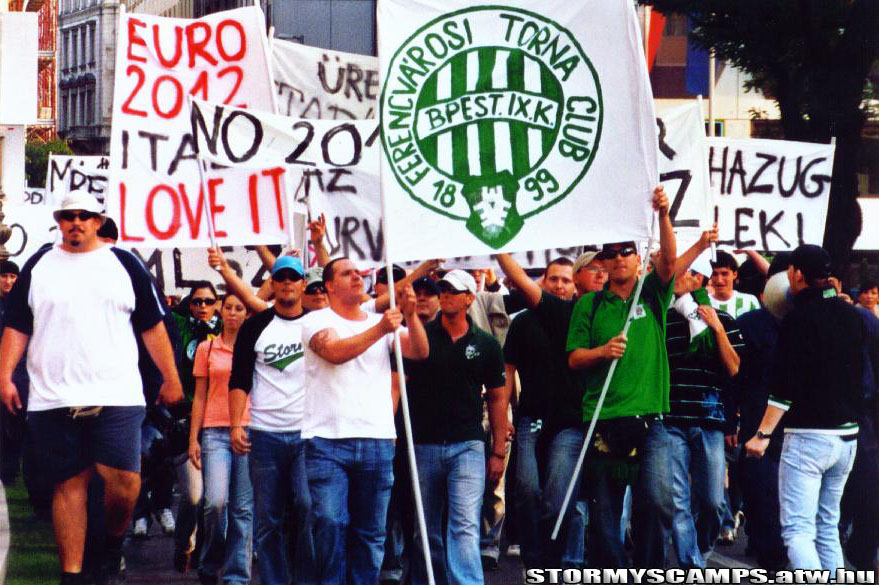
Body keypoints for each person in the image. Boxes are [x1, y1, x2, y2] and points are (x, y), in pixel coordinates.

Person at [0, 190, 183, 585]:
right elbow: (16, 325)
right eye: (68, 216)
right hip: (53, 395)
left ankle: (112, 545)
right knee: (69, 484)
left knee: (124, 481)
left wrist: (170, 376)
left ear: (98, 221)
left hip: (117, 393)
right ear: (58, 221)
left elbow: (152, 326)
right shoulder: (39, 266)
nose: (76, 222)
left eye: (84, 216)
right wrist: (4, 375)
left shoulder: (124, 263)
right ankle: (73, 575)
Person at [565, 185, 676, 568]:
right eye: (610, 254)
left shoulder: (651, 294)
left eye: (626, 251)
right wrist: (602, 351)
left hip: (650, 418)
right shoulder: (589, 304)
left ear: (638, 257)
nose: (618, 259)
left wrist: (663, 215)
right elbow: (574, 358)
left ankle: (649, 570)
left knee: (657, 501)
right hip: (603, 418)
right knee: (604, 513)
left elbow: (669, 261)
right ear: (603, 264)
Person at [301, 257, 428, 585]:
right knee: (331, 523)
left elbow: (419, 351)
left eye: (359, 273)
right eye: (348, 274)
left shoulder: (379, 322)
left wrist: (411, 316)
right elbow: (335, 352)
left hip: (377, 439)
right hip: (327, 441)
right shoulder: (316, 320)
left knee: (371, 533)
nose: (358, 277)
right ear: (330, 286)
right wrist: (382, 328)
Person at [745, 245, 865, 571]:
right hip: (847, 436)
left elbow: (784, 385)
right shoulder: (852, 316)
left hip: (808, 436)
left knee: (798, 530)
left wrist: (762, 434)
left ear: (797, 274)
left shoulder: (797, 319)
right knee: (827, 526)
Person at [404, 269, 508, 585]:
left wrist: (498, 451)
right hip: (424, 443)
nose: (446, 295)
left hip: (468, 444)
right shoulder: (420, 337)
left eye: (453, 290)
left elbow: (498, 397)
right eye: (443, 290)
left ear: (469, 298)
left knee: (464, 524)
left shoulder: (487, 344)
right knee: (426, 527)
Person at [494, 254, 587, 569]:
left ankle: (553, 562)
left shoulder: (581, 318)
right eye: (553, 279)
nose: (559, 285)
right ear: (543, 281)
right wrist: (503, 416)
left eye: (566, 280)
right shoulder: (522, 321)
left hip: (569, 422)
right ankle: (533, 564)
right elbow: (507, 370)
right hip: (530, 418)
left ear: (575, 285)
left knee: (556, 501)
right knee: (526, 490)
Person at [227, 256, 314, 585]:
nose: (287, 283)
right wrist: (236, 424)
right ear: (273, 284)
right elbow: (239, 379)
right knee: (268, 518)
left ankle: (305, 578)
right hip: (264, 435)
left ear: (303, 284)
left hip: (308, 433)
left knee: (307, 506)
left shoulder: (316, 324)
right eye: (281, 277)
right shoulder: (254, 326)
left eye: (293, 277)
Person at [658, 266, 743, 568]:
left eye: (684, 272)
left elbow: (734, 368)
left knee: (712, 502)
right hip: (670, 421)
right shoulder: (662, 319)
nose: (675, 277)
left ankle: (701, 551)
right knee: (677, 501)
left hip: (710, 421)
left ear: (699, 280)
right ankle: (691, 564)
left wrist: (716, 329)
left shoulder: (724, 320)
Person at [189, 293, 253, 585]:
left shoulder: (253, 347)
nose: (233, 313)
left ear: (246, 313)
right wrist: (194, 438)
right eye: (228, 307)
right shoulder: (208, 347)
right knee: (215, 502)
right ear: (220, 310)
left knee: (242, 508)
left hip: (248, 428)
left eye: (239, 308)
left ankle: (236, 575)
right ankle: (210, 560)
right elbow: (200, 396)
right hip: (214, 431)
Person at [172, 280, 223, 572]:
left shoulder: (228, 328)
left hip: (218, 421)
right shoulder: (180, 327)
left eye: (208, 301)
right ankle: (183, 543)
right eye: (197, 301)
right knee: (193, 495)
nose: (203, 306)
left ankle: (208, 556)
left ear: (218, 304)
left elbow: (252, 304)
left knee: (215, 499)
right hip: (185, 421)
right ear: (188, 305)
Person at [708, 251, 760, 318]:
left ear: (735, 274)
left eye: (724, 274)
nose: (719, 280)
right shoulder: (703, 303)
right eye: (714, 274)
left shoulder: (750, 301)